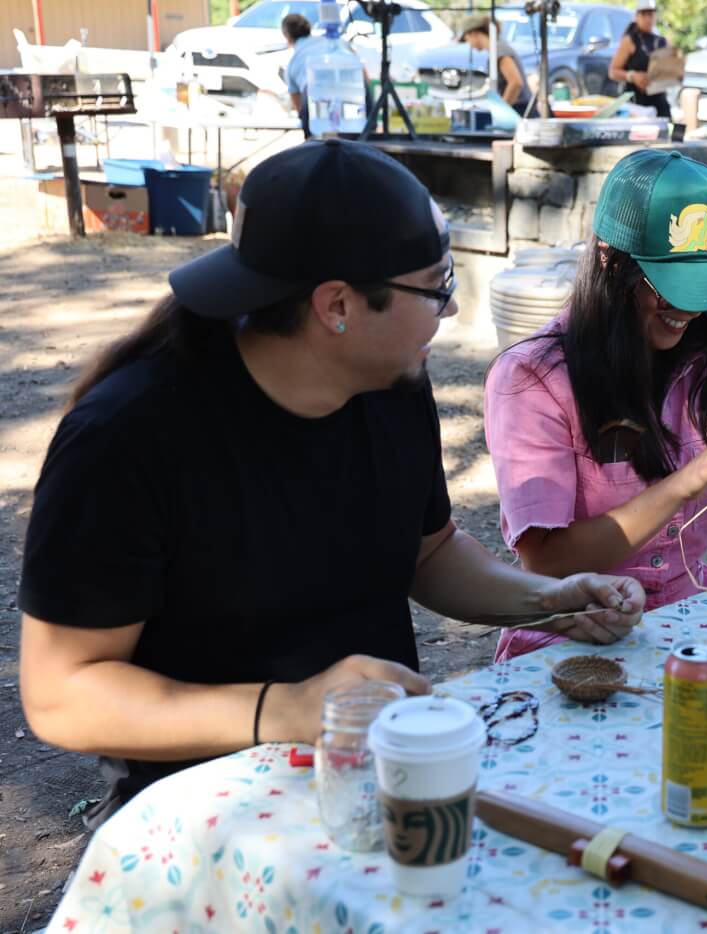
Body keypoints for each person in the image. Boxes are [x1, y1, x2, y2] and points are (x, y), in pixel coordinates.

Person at [18, 140, 644, 825]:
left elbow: (427, 553)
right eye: (437, 288)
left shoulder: (391, 383)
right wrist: (288, 708)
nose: (450, 312)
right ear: (337, 305)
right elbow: (62, 694)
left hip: (374, 777)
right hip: (213, 813)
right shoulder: (129, 437)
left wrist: (549, 599)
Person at [484, 149, 707, 662]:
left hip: (686, 617)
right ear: (609, 260)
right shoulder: (533, 379)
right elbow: (547, 563)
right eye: (668, 288)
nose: (689, 309)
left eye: (703, 287)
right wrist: (688, 480)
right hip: (573, 634)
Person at [608, 0, 672, 119]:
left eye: (650, 14)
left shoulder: (661, 41)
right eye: (644, 14)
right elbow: (613, 72)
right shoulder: (630, 40)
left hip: (658, 99)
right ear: (637, 16)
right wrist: (633, 76)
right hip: (635, 101)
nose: (648, 19)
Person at [459, 14, 529, 115]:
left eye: (467, 39)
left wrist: (502, 112)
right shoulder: (496, 50)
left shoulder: (499, 50)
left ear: (474, 33)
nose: (469, 44)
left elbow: (516, 83)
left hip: (520, 111)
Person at [282, 12, 316, 136]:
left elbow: (300, 108)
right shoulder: (332, 41)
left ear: (287, 36)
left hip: (314, 101)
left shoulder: (293, 63)